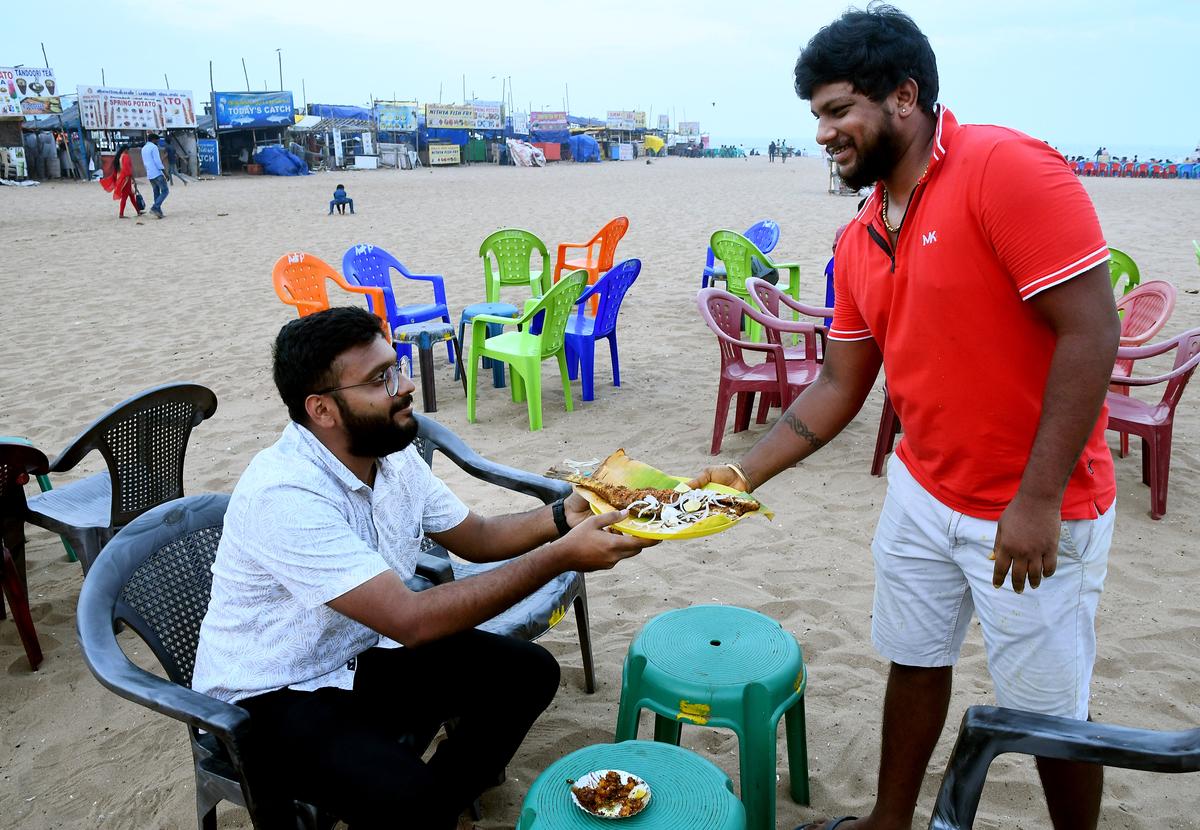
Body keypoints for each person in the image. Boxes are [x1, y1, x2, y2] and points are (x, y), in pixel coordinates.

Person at [692, 6, 1119, 830]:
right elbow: (838, 385)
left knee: (1048, 714)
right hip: (923, 491)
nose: (824, 133)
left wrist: (1035, 500)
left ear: (904, 97)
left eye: (837, 109)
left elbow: (1091, 329)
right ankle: (891, 821)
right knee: (914, 660)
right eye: (815, 115)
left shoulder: (1004, 168)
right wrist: (740, 476)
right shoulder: (859, 238)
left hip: (1033, 504)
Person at [192, 306, 655, 830]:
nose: (405, 385)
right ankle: (421, 808)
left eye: (397, 366)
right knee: (410, 800)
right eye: (380, 379)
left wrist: (561, 518)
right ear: (321, 410)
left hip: (356, 652)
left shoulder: (389, 450)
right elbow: (410, 621)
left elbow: (476, 537)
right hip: (267, 695)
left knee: (527, 673)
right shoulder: (285, 493)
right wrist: (562, 556)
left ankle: (433, 805)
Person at [99, 145, 143, 219]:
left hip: (121, 178)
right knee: (125, 196)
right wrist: (132, 178)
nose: (128, 151)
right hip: (126, 179)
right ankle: (121, 214)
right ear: (125, 149)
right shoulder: (125, 156)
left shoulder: (120, 157)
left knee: (131, 196)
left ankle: (138, 211)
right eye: (127, 150)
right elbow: (127, 169)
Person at [140, 131, 168, 218]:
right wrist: (165, 173)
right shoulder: (154, 147)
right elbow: (157, 161)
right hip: (156, 172)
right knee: (165, 191)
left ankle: (158, 212)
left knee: (156, 192)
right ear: (153, 140)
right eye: (157, 140)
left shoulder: (144, 148)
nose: (158, 142)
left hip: (149, 173)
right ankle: (155, 208)